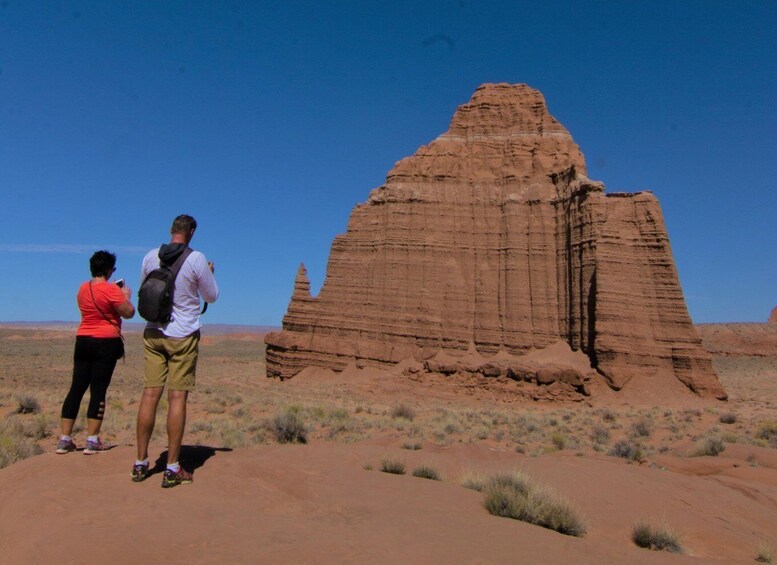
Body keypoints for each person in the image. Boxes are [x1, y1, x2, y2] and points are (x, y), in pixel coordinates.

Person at [132, 214, 218, 487]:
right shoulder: (196, 259)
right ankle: (172, 468)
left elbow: (143, 289)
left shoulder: (150, 256)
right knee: (177, 398)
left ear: (171, 230)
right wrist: (210, 273)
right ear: (191, 231)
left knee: (149, 395)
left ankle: (140, 463)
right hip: (182, 336)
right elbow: (211, 296)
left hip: (153, 332)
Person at [57, 250, 135, 455]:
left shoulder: (82, 288)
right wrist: (125, 297)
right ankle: (92, 440)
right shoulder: (112, 290)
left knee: (76, 388)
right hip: (106, 342)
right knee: (98, 390)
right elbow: (128, 313)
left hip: (83, 340)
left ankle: (64, 439)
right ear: (109, 270)